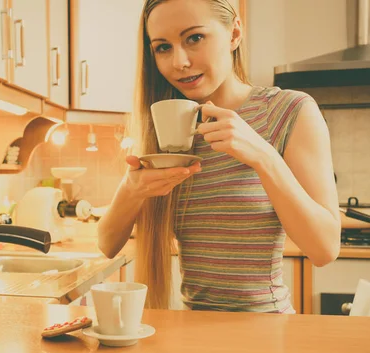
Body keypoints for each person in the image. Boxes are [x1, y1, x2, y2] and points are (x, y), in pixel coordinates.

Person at [98, 0, 341, 312]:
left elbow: (324, 249)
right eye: (162, 47)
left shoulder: (288, 111)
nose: (179, 62)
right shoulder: (169, 124)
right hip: (192, 334)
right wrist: (132, 190)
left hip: (266, 331)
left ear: (234, 33)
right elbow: (106, 244)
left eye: (194, 38)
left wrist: (263, 157)